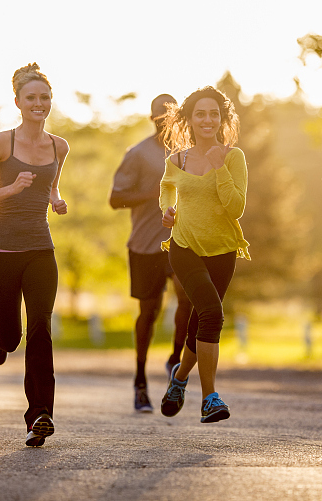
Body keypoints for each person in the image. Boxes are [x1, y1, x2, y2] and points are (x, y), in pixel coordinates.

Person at [0, 63, 69, 447]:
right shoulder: (1, 142)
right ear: (18, 102)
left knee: (41, 328)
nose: (39, 103)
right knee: (11, 340)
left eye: (44, 97)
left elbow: (51, 188)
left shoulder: (59, 146)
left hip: (40, 249)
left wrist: (57, 201)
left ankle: (39, 414)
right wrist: (9, 190)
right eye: (31, 98)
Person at [158, 86, 249, 423]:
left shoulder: (233, 157)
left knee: (201, 319)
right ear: (190, 119)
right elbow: (167, 189)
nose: (207, 119)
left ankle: (179, 379)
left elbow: (236, 208)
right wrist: (168, 211)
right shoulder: (176, 160)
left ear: (222, 118)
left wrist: (219, 168)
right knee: (213, 313)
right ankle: (210, 397)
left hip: (223, 250)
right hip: (183, 248)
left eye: (214, 113)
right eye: (201, 114)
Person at [109, 94, 193, 413]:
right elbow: (116, 199)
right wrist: (157, 191)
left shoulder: (190, 154)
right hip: (145, 244)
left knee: (187, 296)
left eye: (171, 116)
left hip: (182, 240)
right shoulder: (138, 154)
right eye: (160, 116)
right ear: (152, 119)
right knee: (150, 310)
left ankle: (174, 360)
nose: (165, 122)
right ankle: (140, 381)